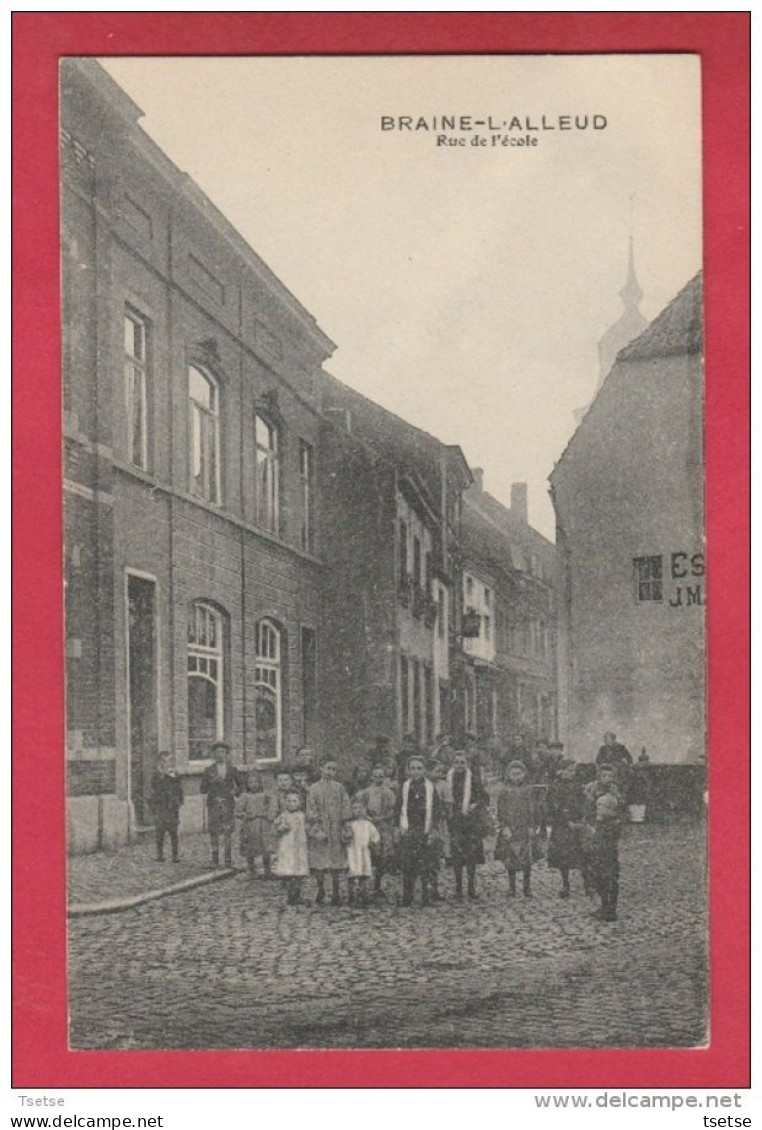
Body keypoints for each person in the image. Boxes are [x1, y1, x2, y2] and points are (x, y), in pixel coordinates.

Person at [397, 755, 443, 907]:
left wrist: (433, 829)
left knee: (427, 864)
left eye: (419, 768)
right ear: (408, 770)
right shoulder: (405, 787)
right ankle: (407, 896)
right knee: (408, 864)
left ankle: (426, 895)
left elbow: (436, 810)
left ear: (424, 770)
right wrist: (399, 827)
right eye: (412, 768)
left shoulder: (430, 788)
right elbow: (399, 807)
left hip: (425, 829)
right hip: (409, 829)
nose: (415, 771)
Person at [306, 758, 353, 906]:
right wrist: (317, 828)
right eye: (328, 768)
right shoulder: (314, 789)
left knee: (336, 862)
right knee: (319, 861)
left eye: (334, 769)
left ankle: (336, 891)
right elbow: (311, 809)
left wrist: (345, 823)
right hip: (321, 828)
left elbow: (346, 805)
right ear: (321, 768)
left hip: (336, 828)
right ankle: (320, 888)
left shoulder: (339, 788)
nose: (331, 772)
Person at [584, 763, 626, 921]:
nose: (607, 779)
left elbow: (621, 812)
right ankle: (604, 905)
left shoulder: (616, 793)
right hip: (597, 832)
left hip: (608, 837)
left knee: (610, 874)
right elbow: (588, 812)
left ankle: (611, 909)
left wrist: (612, 819)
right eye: (603, 775)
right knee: (599, 873)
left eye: (610, 776)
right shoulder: (591, 791)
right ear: (598, 776)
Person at [446, 750, 488, 900]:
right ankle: (458, 888)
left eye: (462, 762)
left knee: (471, 855)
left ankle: (471, 887)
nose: (459, 765)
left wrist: (474, 805)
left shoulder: (473, 779)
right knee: (456, 855)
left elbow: (484, 797)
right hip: (454, 821)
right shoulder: (448, 778)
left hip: (470, 821)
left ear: (467, 764)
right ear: (452, 764)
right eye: (456, 762)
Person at [495, 760, 536, 898]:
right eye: (513, 774)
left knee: (526, 858)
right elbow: (500, 811)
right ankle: (512, 887)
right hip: (510, 828)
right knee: (510, 858)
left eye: (519, 774)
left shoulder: (528, 790)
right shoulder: (504, 791)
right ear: (508, 775)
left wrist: (532, 826)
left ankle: (527, 886)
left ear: (524, 774)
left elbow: (533, 810)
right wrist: (504, 827)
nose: (516, 777)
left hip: (524, 827)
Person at [545, 758, 585, 898]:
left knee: (584, 853)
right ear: (560, 771)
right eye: (569, 770)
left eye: (574, 770)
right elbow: (555, 807)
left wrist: (582, 819)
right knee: (564, 856)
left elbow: (583, 803)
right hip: (562, 825)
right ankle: (565, 883)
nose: (572, 773)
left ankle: (588, 883)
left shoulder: (578, 785)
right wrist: (567, 821)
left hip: (578, 824)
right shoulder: (555, 787)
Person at [358, 765, 398, 898]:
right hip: (369, 826)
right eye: (376, 776)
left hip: (384, 827)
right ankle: (362, 886)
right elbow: (360, 808)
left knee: (382, 857)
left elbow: (393, 810)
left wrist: (382, 818)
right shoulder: (365, 793)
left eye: (381, 776)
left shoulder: (389, 793)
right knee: (367, 854)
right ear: (371, 777)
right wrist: (369, 818)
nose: (378, 778)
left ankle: (377, 884)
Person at [200, 742, 240, 867]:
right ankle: (215, 859)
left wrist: (236, 791)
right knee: (214, 831)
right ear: (213, 754)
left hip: (228, 803)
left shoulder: (233, 770)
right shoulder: (208, 770)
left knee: (228, 831)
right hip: (214, 804)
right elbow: (202, 789)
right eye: (217, 752)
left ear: (227, 755)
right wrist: (212, 782)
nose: (220, 755)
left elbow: (242, 786)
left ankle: (228, 859)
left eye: (223, 752)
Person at [273, 789, 310, 906]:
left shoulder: (302, 815)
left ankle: (297, 895)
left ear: (299, 802)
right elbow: (275, 829)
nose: (291, 804)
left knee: (299, 872)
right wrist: (281, 828)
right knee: (289, 871)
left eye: (294, 801)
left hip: (299, 847)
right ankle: (290, 896)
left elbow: (307, 828)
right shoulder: (283, 815)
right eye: (289, 801)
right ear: (285, 802)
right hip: (287, 847)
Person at [236, 771, 276, 880]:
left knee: (265, 848)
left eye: (255, 782)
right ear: (247, 784)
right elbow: (238, 811)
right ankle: (251, 870)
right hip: (250, 825)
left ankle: (267, 870)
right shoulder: (244, 796)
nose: (253, 784)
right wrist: (247, 815)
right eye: (250, 782)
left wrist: (270, 815)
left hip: (264, 824)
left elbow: (273, 805)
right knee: (250, 848)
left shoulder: (266, 795)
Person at [345, 795, 381, 906]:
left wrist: (373, 842)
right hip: (353, 852)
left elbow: (375, 835)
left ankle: (363, 894)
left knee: (364, 875)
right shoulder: (349, 824)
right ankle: (351, 896)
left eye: (361, 808)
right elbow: (344, 837)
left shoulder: (368, 824)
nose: (359, 811)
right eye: (355, 808)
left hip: (364, 852)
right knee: (352, 874)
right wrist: (346, 835)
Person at [150, 751, 183, 863]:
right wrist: (161, 776)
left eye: (168, 760)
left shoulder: (175, 773)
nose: (165, 763)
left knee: (173, 832)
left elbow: (179, 788)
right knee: (160, 831)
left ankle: (175, 855)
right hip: (161, 805)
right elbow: (153, 786)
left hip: (172, 806)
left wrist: (180, 801)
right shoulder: (156, 774)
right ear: (160, 761)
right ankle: (160, 854)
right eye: (163, 760)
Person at [596, 732, 633, 796]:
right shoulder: (603, 749)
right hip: (606, 766)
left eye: (607, 739)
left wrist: (628, 765)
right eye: (605, 739)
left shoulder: (621, 748)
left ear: (613, 739)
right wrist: (601, 764)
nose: (605, 741)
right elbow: (598, 760)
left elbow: (629, 758)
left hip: (619, 766)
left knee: (624, 774)